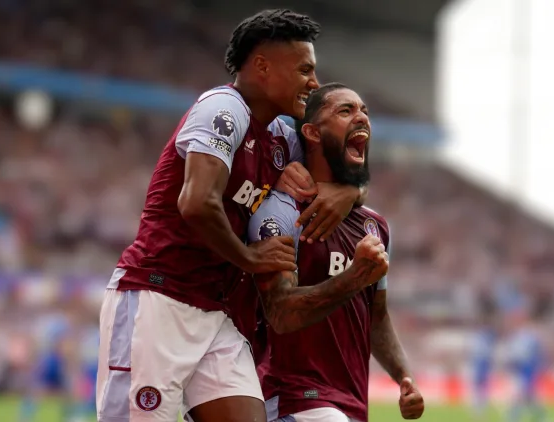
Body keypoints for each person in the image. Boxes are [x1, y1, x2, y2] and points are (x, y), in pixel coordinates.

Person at [95, 10, 365, 422]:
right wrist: (250, 257)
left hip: (215, 312)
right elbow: (196, 201)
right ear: (262, 66)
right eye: (305, 69)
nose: (313, 83)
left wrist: (348, 191)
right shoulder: (223, 107)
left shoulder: (281, 135)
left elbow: (343, 161)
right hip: (158, 297)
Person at [246, 83, 425, 422]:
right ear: (312, 132)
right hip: (294, 400)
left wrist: (404, 376)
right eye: (346, 111)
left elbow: (378, 316)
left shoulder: (375, 226)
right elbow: (280, 313)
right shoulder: (281, 213)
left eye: (365, 111)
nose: (362, 118)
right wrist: (354, 277)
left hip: (350, 402)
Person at [505, 299, 545, 422]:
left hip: (526, 369)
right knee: (526, 396)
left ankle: (514, 417)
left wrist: (537, 367)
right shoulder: (515, 336)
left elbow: (536, 353)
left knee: (523, 395)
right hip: (518, 369)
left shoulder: (528, 336)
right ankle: (541, 417)